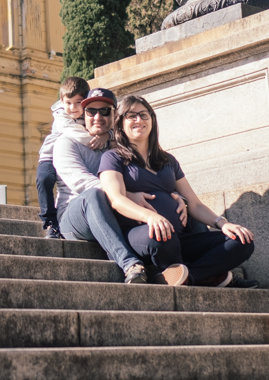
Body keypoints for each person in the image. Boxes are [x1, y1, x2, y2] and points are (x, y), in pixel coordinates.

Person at [98, 93, 257, 288]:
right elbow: (116, 199)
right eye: (131, 116)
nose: (138, 120)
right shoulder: (112, 157)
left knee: (242, 240)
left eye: (144, 115)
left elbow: (195, 204)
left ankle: (189, 276)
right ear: (121, 122)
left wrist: (222, 223)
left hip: (179, 238)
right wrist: (150, 217)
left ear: (152, 120)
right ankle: (205, 275)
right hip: (143, 235)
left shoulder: (168, 160)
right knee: (161, 236)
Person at [52, 87, 187, 282]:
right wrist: (126, 195)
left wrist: (177, 196)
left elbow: (150, 172)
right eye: (91, 111)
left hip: (116, 215)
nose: (97, 116)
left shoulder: (120, 142)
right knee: (94, 195)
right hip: (75, 215)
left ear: (115, 115)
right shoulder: (66, 143)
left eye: (105, 111)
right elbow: (81, 182)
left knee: (186, 208)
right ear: (84, 114)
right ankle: (130, 263)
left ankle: (200, 267)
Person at [37, 76, 104, 239]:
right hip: (50, 154)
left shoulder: (90, 113)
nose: (73, 108)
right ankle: (50, 222)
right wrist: (99, 137)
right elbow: (74, 133)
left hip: (69, 155)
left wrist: (107, 134)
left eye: (78, 102)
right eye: (68, 103)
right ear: (62, 101)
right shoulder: (61, 115)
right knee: (44, 179)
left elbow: (109, 123)